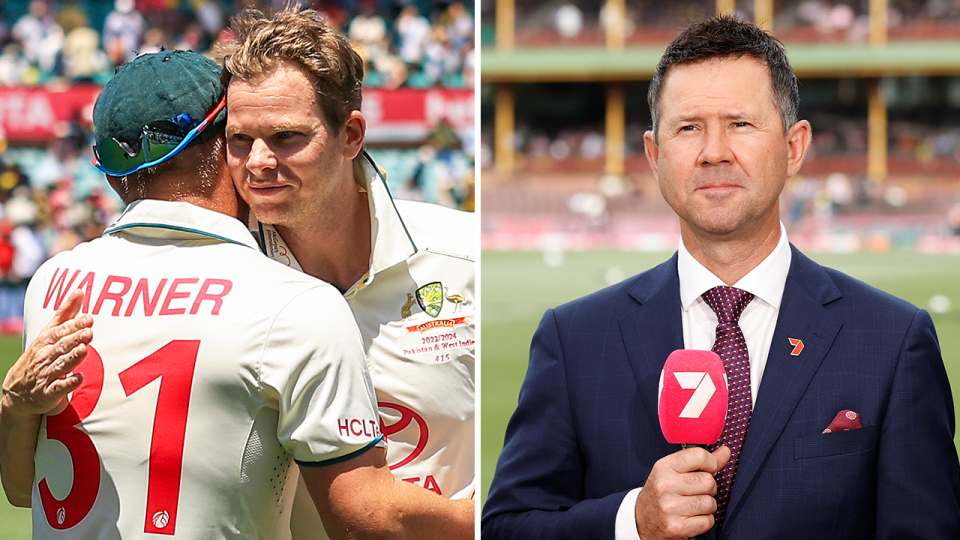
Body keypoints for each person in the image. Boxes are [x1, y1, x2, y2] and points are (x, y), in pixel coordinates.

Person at [482, 15, 960, 540]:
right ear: (654, 154)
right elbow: (508, 525)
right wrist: (631, 521)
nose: (714, 151)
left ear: (794, 147)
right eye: (688, 127)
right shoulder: (572, 339)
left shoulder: (893, 340)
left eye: (740, 123)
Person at [0, 49, 472, 539]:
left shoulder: (53, 285)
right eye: (241, 137)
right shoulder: (292, 301)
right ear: (220, 146)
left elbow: (24, 487)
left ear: (110, 169)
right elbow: (360, 517)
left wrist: (12, 405)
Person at [217, 5, 475, 536]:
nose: (258, 161)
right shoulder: (223, 281)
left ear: (351, 135)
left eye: (287, 137)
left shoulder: (466, 256)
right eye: (239, 140)